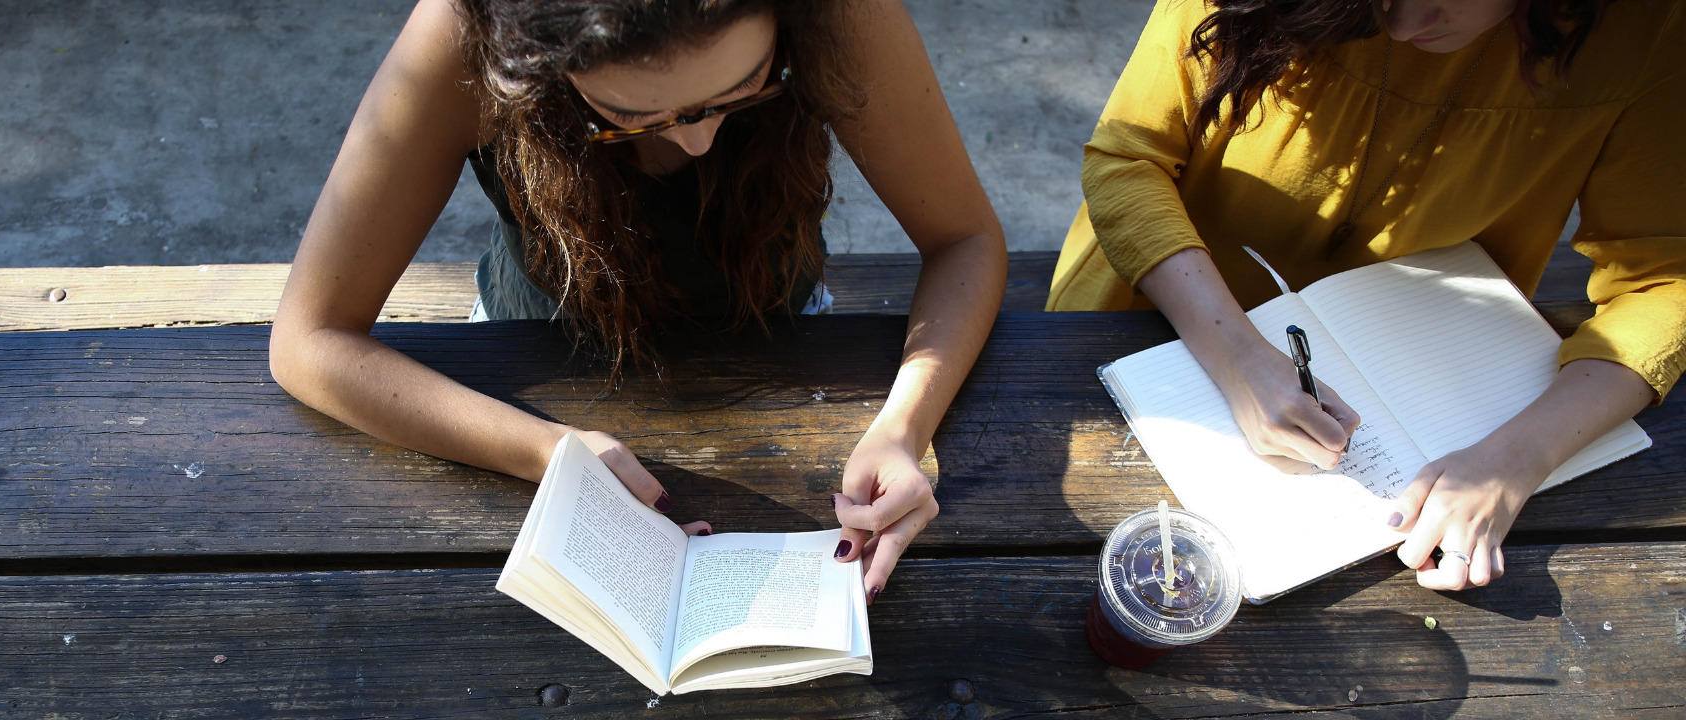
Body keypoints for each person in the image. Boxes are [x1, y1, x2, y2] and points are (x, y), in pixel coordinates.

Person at [270, 0, 1007, 604]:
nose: (700, 140)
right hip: (525, 366)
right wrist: (549, 451)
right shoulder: (466, 30)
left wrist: (903, 429)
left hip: (782, 336)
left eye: (746, 87)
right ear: (533, 59)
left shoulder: (840, 14)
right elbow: (309, 340)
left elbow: (965, 239)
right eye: (633, 114)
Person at [1049, 0, 1683, 591]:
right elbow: (1128, 158)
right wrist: (1237, 357)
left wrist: (1515, 459)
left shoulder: (1649, 28)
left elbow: (1665, 280)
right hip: (1151, 308)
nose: (1401, 25)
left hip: (1436, 368)